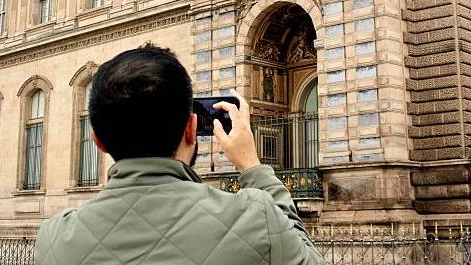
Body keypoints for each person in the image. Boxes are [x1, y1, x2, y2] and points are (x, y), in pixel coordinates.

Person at [36, 44, 323, 265]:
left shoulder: (53, 240)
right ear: (191, 128)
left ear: (98, 141)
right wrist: (252, 166)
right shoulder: (256, 218)